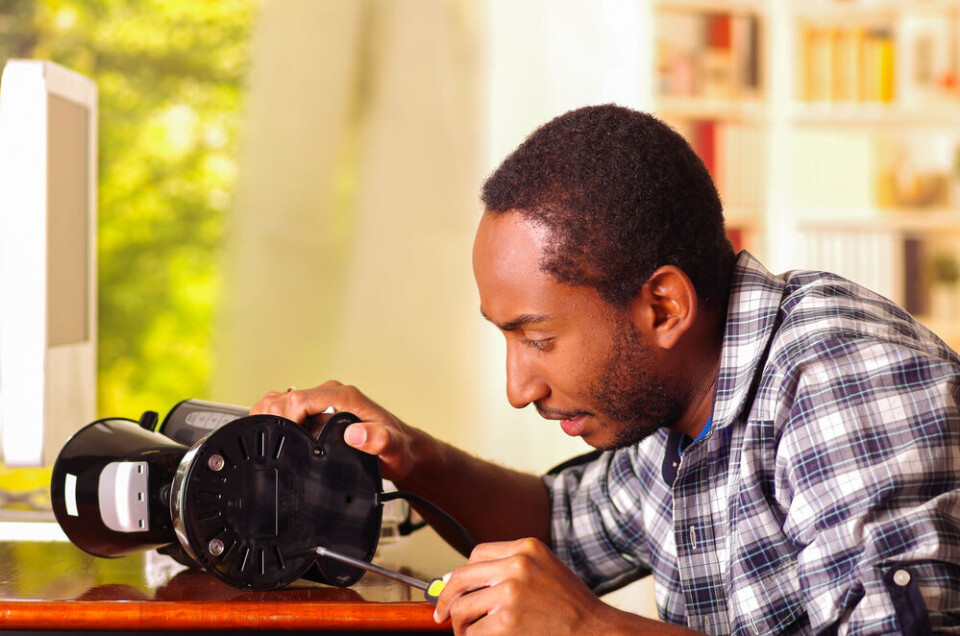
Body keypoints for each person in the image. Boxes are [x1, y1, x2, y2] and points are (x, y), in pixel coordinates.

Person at [252, 104, 960, 635]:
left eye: (537, 339)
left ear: (661, 306)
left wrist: (590, 628)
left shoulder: (839, 380)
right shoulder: (673, 398)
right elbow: (560, 528)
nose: (517, 388)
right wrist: (410, 455)